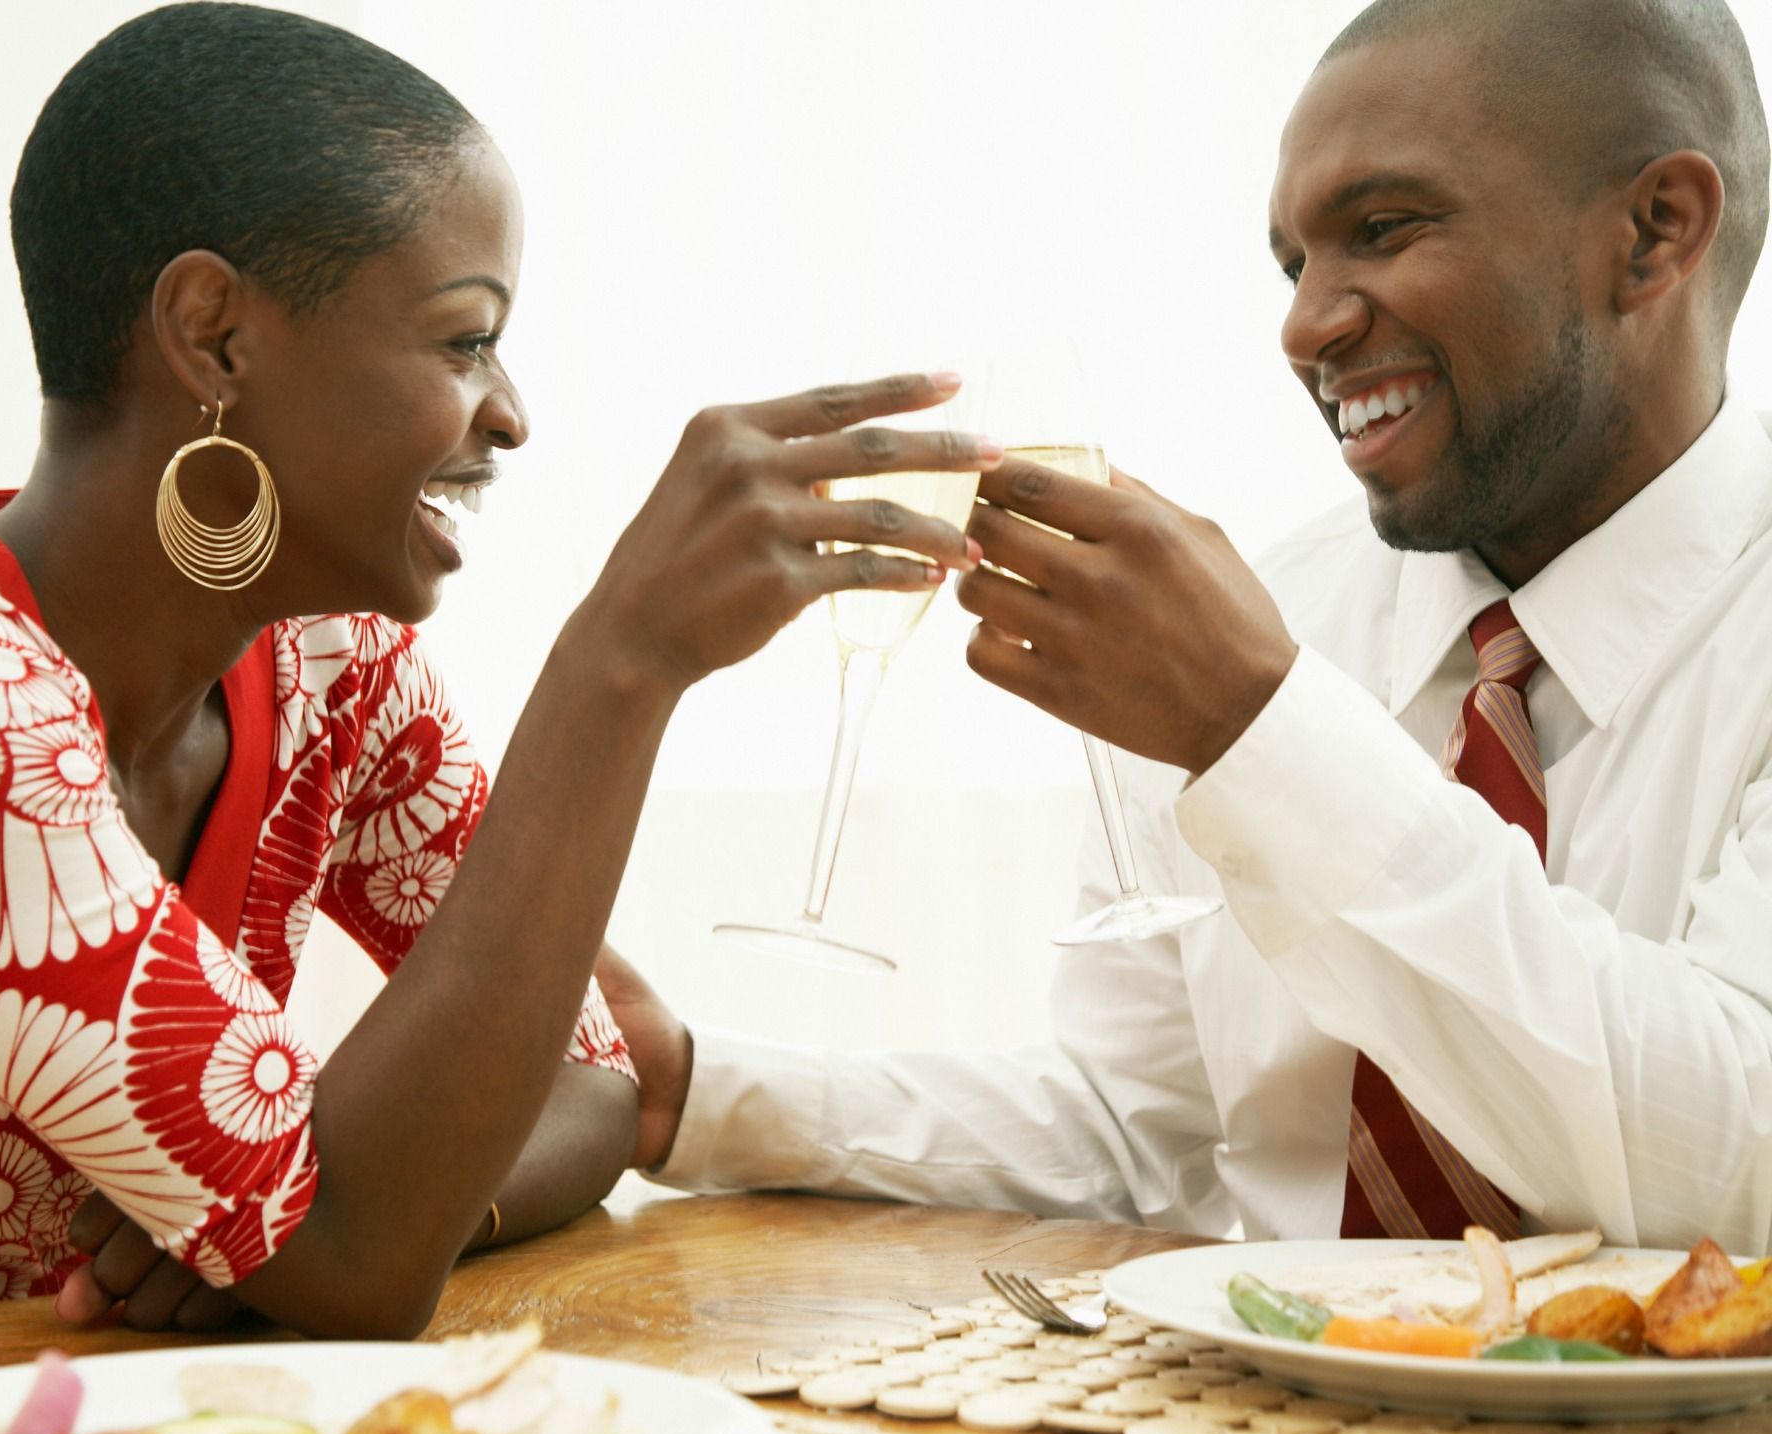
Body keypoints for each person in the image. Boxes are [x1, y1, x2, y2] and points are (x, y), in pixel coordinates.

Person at [0, 2, 990, 1333]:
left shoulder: (332, 657)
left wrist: (359, 1199)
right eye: (465, 338)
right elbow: (354, 1264)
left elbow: (599, 1082)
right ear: (214, 335)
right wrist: (621, 657)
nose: (509, 412)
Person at [600, 0, 1772, 1256]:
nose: (1305, 326)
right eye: (1294, 265)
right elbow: (1136, 1132)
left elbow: (1735, 1155)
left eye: (1382, 231)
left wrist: (1263, 730)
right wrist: (700, 1090)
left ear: (1656, 234)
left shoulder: (1246, 672)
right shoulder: (1283, 614)